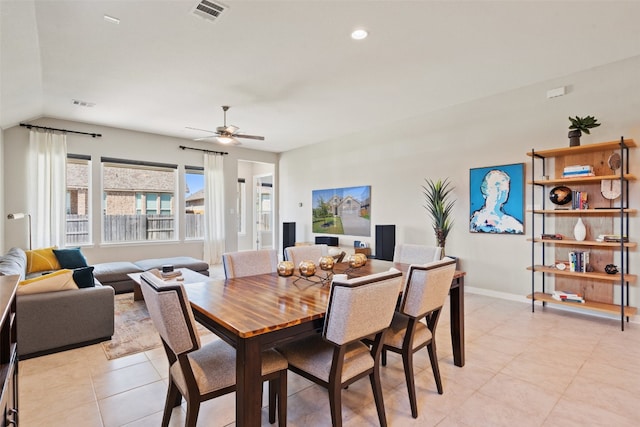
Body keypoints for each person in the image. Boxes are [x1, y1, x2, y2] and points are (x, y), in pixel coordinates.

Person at [470, 169, 523, 234]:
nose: (503, 189)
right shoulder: (475, 219)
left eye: (506, 186)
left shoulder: (513, 224)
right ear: (486, 189)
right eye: (497, 185)